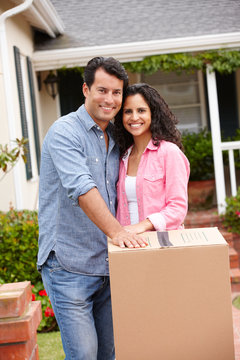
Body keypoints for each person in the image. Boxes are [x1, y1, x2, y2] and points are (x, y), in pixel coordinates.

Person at [37, 57, 147, 360]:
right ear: (86, 89)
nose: (110, 100)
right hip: (68, 265)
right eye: (102, 90)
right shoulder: (64, 133)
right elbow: (82, 188)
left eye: (116, 92)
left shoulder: (116, 136)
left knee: (108, 354)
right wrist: (118, 232)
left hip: (107, 265)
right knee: (84, 355)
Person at [114, 83, 190, 233]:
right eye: (128, 111)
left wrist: (142, 226)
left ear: (153, 114)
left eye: (141, 110)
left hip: (160, 245)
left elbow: (178, 208)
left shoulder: (169, 153)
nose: (134, 117)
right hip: (128, 245)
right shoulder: (122, 157)